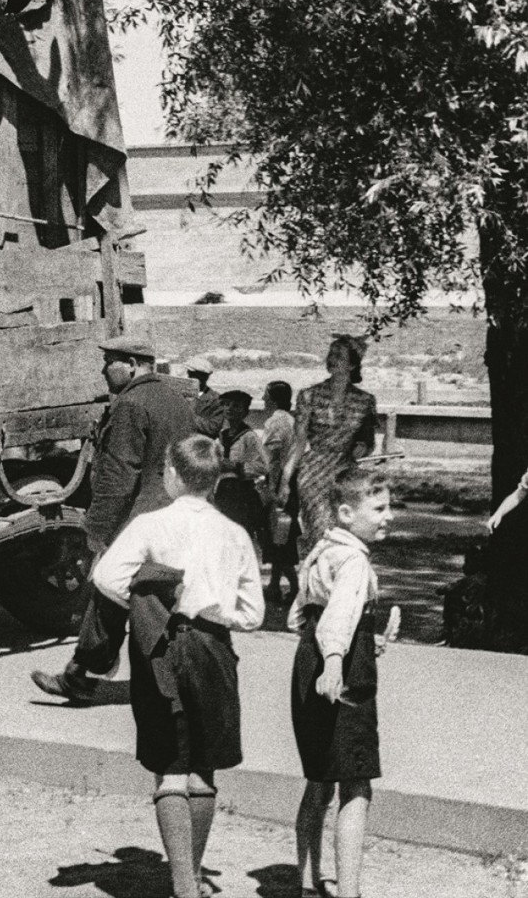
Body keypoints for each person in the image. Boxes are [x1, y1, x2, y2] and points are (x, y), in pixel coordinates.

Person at [92, 434, 265, 898]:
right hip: (214, 648)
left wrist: (147, 601)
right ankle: (193, 873)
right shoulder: (234, 533)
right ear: (213, 481)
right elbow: (253, 613)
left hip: (161, 646)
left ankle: (183, 884)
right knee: (203, 767)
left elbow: (106, 576)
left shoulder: (151, 525)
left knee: (169, 763)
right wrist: (217, 611)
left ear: (171, 472)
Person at [31, 334, 197, 703]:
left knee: (110, 591)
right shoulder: (177, 402)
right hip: (177, 515)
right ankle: (86, 675)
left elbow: (118, 476)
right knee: (146, 598)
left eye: (110, 361)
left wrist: (97, 531)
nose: (104, 369)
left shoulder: (131, 404)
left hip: (138, 520)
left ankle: (86, 677)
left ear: (134, 365)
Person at [288, 466, 396, 898]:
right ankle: (348, 891)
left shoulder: (325, 548)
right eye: (380, 507)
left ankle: (305, 881)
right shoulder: (353, 559)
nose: (389, 516)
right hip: (341, 672)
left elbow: (302, 613)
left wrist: (367, 641)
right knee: (356, 783)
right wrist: (336, 663)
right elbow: (337, 620)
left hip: (310, 660)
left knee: (319, 778)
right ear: (347, 512)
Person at [281, 335, 378, 555]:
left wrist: (363, 446)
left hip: (345, 472)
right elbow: (299, 443)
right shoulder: (309, 396)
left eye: (339, 355)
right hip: (313, 473)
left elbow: (369, 441)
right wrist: (285, 481)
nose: (332, 359)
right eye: (330, 353)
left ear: (352, 364)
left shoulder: (365, 401)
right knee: (319, 532)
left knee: (345, 533)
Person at [214, 386, 269, 543]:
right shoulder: (220, 437)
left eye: (236, 406)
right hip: (222, 492)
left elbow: (264, 466)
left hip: (241, 494)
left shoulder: (249, 436)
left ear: (245, 412)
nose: (230, 409)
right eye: (226, 404)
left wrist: (236, 466)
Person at [261, 380, 299, 602]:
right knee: (281, 536)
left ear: (273, 398)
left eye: (266, 395)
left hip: (279, 483)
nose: (264, 399)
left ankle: (295, 587)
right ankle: (274, 585)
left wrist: (273, 489)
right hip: (291, 482)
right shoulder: (293, 421)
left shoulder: (275, 422)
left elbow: (272, 459)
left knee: (280, 537)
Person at [186, 356, 224, 439]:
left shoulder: (216, 400)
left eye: (197, 376)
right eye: (190, 374)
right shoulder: (181, 395)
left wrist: (189, 417)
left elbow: (213, 427)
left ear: (205, 377)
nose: (191, 377)